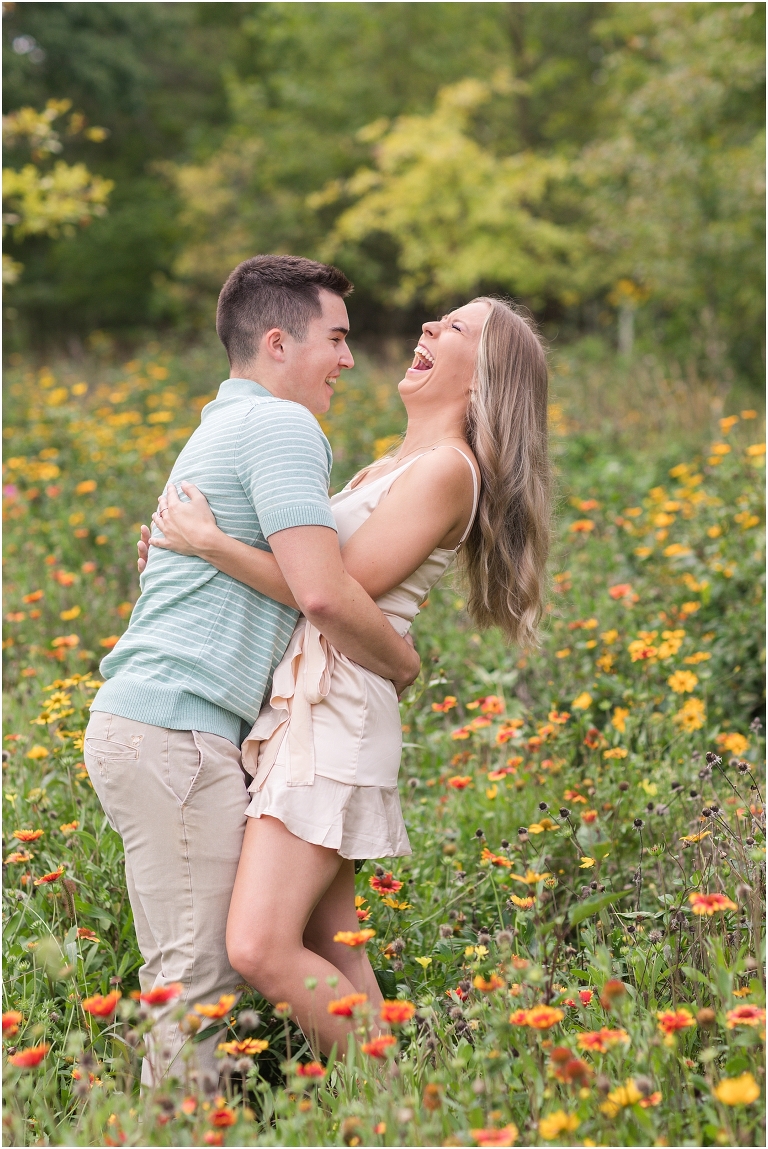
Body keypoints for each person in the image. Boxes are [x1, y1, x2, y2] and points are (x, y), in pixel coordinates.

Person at [141, 295, 551, 1058]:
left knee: (260, 945)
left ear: (484, 375)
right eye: (439, 319)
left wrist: (208, 545)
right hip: (308, 702)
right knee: (337, 945)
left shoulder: (445, 473)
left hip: (336, 712)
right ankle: (405, 1114)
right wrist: (178, 553)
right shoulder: (388, 465)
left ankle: (390, 1094)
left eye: (455, 327)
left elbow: (327, 590)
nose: (429, 327)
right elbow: (305, 574)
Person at [83, 255, 421, 1086]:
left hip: (168, 727)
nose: (348, 359)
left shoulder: (222, 424)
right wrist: (403, 663)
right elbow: (322, 592)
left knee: (192, 972)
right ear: (279, 341)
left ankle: (378, 1104)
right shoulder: (280, 427)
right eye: (336, 338)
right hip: (177, 729)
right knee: (194, 983)